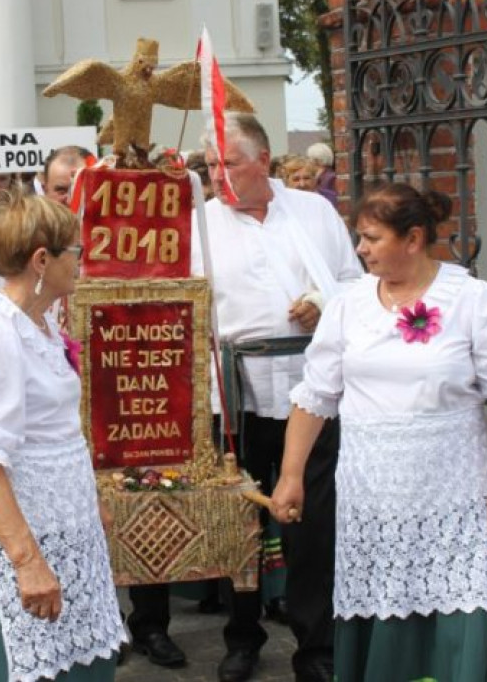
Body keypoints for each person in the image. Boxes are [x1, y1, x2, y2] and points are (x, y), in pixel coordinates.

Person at [271, 182, 487, 682]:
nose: (360, 249)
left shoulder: (474, 302)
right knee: (382, 600)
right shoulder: (348, 305)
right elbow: (315, 396)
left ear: (413, 239)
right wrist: (291, 475)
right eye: (359, 236)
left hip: (452, 495)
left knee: (461, 602)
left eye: (372, 238)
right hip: (372, 498)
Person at [189, 113, 362, 682]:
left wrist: (320, 300)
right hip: (234, 393)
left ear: (263, 159)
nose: (219, 175)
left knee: (311, 522)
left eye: (230, 163)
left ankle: (316, 645)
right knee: (240, 520)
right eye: (211, 165)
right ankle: (242, 637)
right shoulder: (199, 225)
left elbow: (353, 280)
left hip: (309, 388)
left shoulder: (313, 211)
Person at [0, 195, 126, 682]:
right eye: (76, 250)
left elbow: (57, 428)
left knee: (87, 660)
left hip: (64, 521)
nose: (82, 260)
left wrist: (90, 499)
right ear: (42, 259)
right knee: (42, 666)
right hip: (25, 532)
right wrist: (27, 562)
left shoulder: (36, 325)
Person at [306, 143, 338, 208]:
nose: (307, 162)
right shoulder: (316, 176)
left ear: (317, 160)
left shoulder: (331, 178)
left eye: (308, 158)